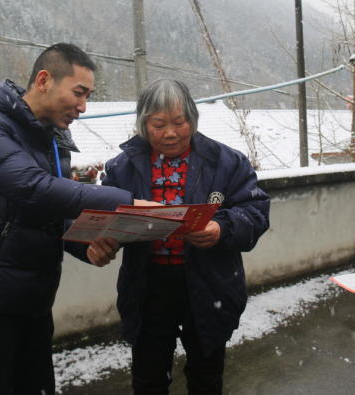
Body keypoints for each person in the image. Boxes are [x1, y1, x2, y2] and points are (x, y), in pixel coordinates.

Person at [0, 43, 156, 394]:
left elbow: (47, 214)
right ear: (44, 80)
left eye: (88, 96)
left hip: (33, 299)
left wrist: (84, 245)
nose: (83, 107)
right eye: (79, 93)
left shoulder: (51, 141)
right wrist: (127, 202)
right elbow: (34, 189)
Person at [99, 79, 270, 394]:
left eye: (179, 122)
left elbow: (256, 211)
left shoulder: (226, 162)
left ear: (193, 119)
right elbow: (106, 219)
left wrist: (222, 228)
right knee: (148, 378)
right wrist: (102, 241)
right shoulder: (122, 168)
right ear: (143, 124)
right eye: (158, 124)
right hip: (148, 287)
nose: (170, 133)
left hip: (209, 284)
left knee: (206, 377)